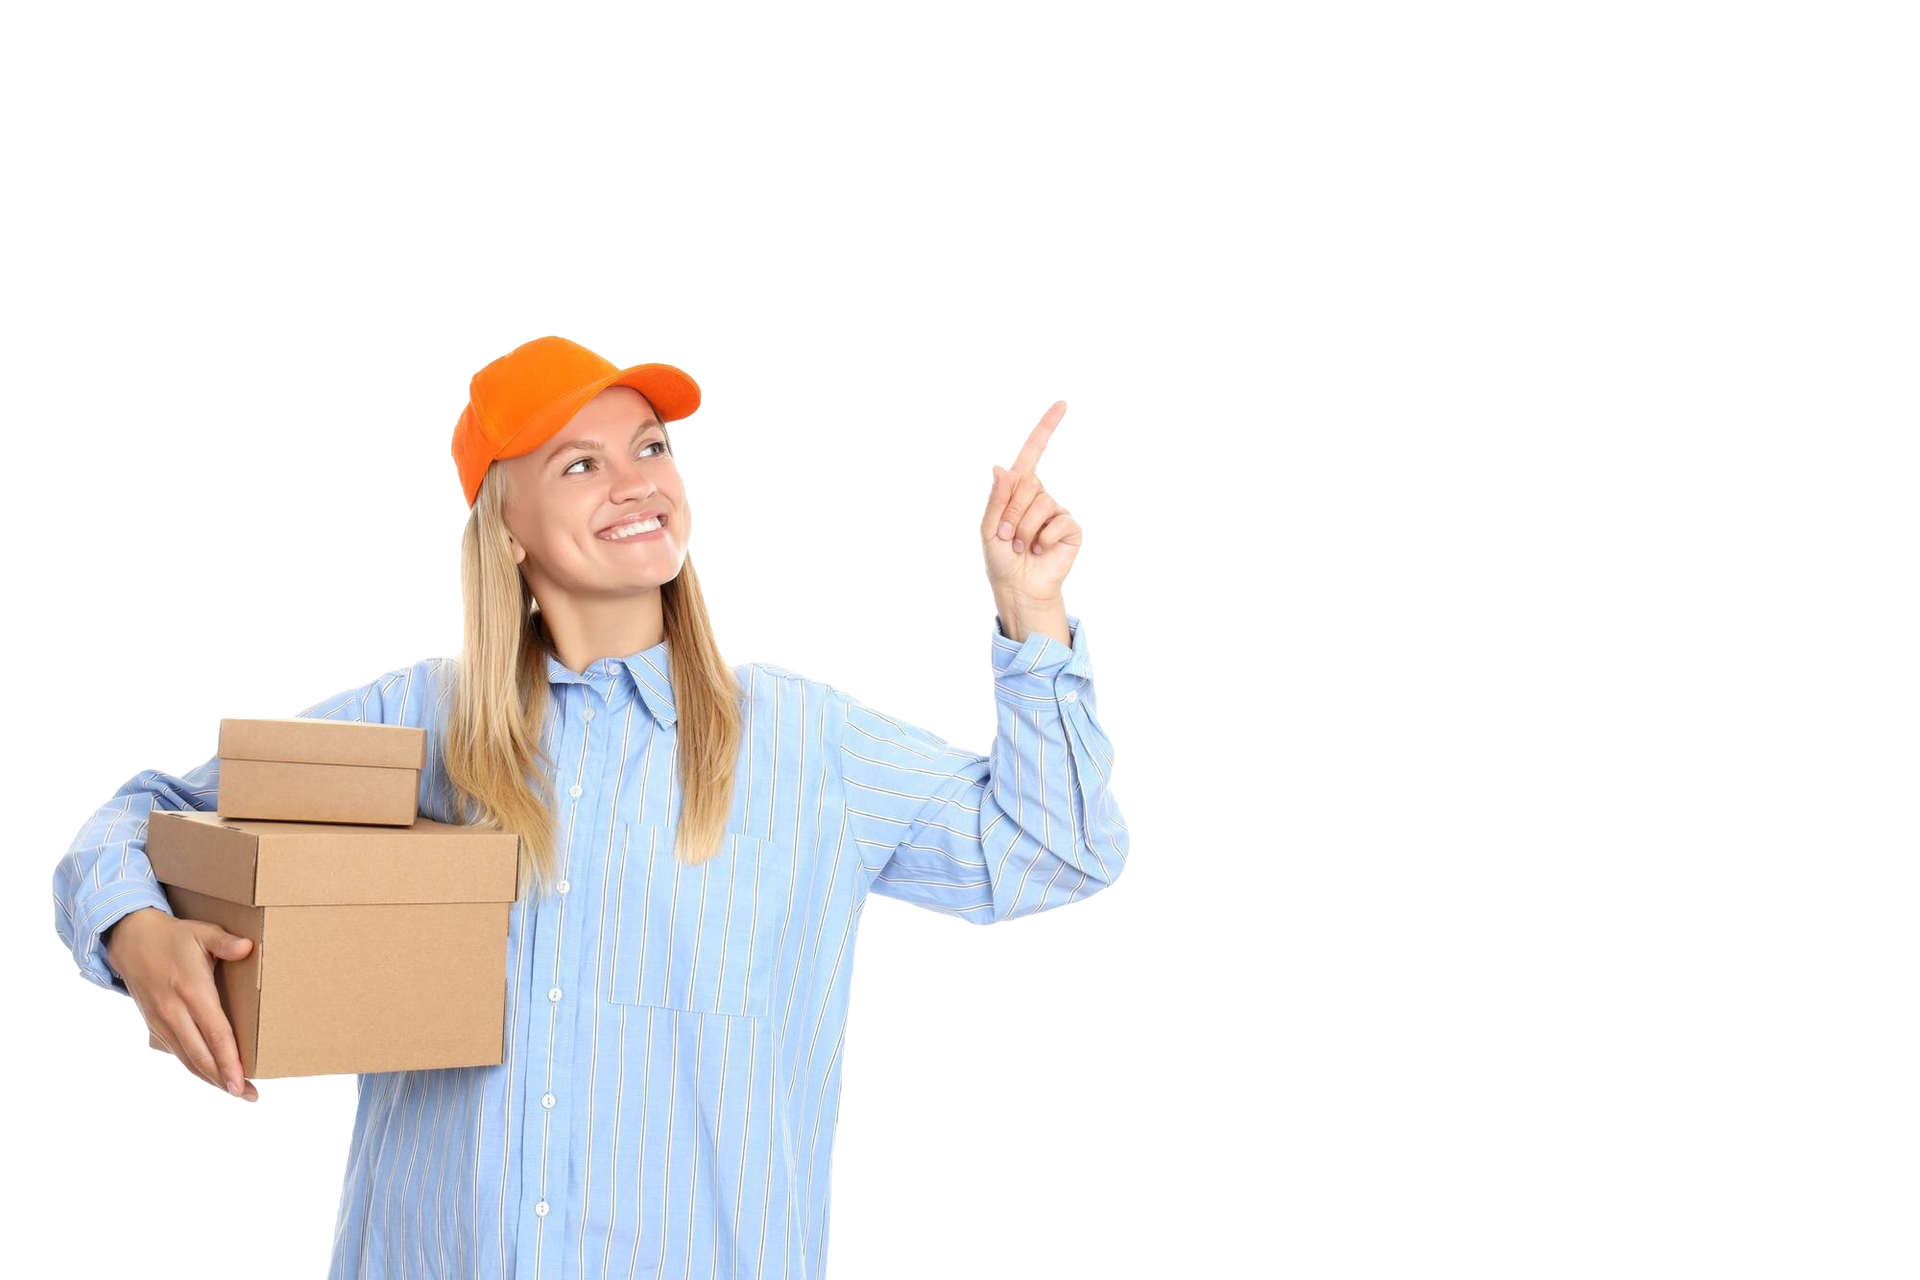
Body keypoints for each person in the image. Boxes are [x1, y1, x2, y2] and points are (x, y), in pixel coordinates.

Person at [50, 332, 1128, 1278]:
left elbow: (1055, 851)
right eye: (580, 461)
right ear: (505, 526)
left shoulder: (807, 739)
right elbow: (138, 813)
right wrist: (132, 930)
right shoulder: (411, 719)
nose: (635, 480)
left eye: (651, 446)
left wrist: (1032, 614)